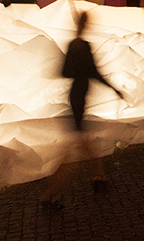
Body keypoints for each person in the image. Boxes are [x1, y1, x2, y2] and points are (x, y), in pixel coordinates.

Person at [41, 11, 125, 210]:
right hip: (79, 97)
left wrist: (78, 70)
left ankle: (98, 175)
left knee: (83, 141)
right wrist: (113, 88)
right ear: (85, 25)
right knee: (74, 148)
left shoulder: (73, 45)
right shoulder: (83, 46)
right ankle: (50, 194)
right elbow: (94, 72)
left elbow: (64, 71)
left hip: (75, 96)